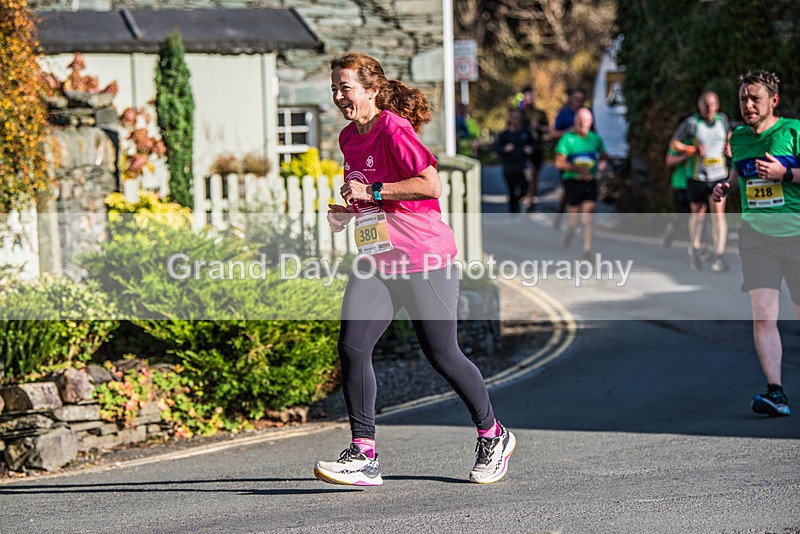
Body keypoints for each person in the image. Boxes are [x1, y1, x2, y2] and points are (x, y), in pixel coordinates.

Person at [319, 52, 516, 486]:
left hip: (423, 257)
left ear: (371, 90)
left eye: (345, 87)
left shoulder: (394, 128)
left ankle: (493, 433)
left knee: (442, 354)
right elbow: (376, 199)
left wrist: (371, 187)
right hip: (377, 258)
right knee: (352, 346)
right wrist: (349, 210)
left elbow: (430, 184)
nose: (337, 96)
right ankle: (364, 454)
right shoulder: (349, 137)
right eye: (334, 88)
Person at [712, 70, 800, 417]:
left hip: (795, 234)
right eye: (743, 99)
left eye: (755, 99)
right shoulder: (740, 138)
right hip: (757, 238)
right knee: (764, 314)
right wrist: (725, 186)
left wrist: (786, 174)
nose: (748, 105)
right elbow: (740, 175)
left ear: (773, 101)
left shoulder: (794, 131)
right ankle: (775, 392)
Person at [670, 91, 732, 272]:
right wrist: (691, 149)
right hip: (697, 177)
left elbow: (728, 136)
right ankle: (695, 248)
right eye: (706, 104)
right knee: (698, 215)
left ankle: (719, 255)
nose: (709, 108)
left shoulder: (722, 120)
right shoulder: (691, 123)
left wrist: (729, 147)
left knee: (718, 216)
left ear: (718, 105)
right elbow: (674, 143)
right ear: (700, 106)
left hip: (718, 175)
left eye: (712, 104)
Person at [554, 107, 609, 260]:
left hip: (590, 181)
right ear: (574, 121)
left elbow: (605, 157)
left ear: (590, 123)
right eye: (579, 120)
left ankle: (587, 250)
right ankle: (570, 231)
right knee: (574, 220)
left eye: (585, 121)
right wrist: (578, 170)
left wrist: (602, 164)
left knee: (589, 214)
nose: (582, 123)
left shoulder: (595, 139)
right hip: (572, 181)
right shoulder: (567, 139)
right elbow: (559, 163)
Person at [551, 87, 590, 228]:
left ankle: (577, 221)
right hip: (567, 157)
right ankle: (561, 211)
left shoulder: (587, 114)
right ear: (570, 99)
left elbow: (594, 133)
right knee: (569, 188)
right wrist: (568, 132)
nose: (578, 102)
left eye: (581, 100)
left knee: (581, 189)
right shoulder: (564, 114)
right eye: (576, 99)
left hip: (584, 158)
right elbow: (553, 133)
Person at [495, 108, 535, 213]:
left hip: (523, 166)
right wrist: (505, 149)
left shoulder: (526, 132)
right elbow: (496, 148)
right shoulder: (505, 135)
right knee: (512, 191)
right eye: (514, 118)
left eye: (518, 118)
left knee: (525, 188)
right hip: (509, 167)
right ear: (510, 119)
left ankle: (519, 203)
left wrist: (530, 149)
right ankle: (513, 213)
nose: (516, 120)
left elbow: (533, 145)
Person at [517, 86, 550, 212]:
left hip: (537, 148)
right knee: (524, 175)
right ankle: (525, 195)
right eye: (525, 96)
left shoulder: (539, 113)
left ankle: (532, 199)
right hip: (522, 149)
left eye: (530, 96)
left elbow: (548, 129)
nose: (528, 99)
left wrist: (539, 127)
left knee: (535, 175)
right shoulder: (519, 113)